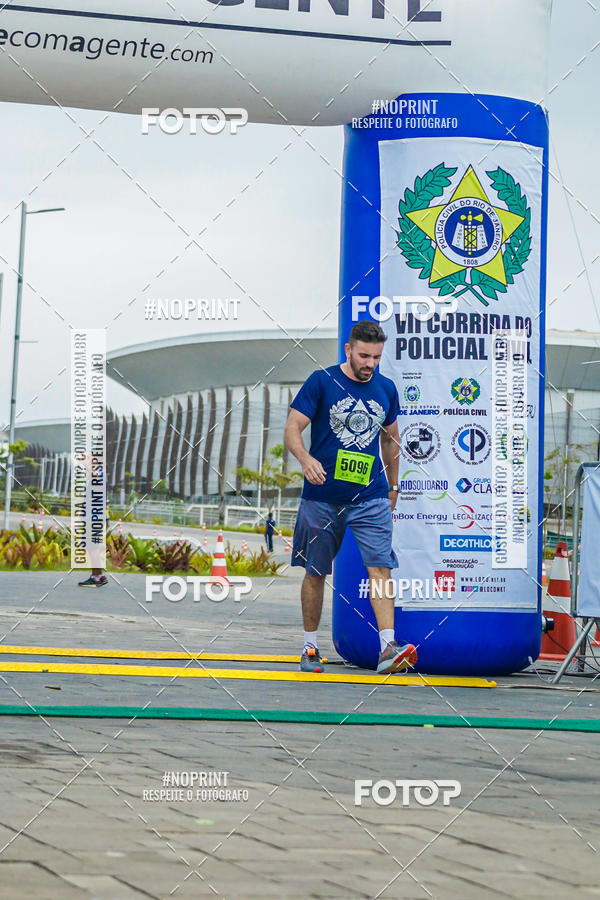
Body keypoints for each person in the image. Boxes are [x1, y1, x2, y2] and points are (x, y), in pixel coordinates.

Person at [284, 320, 417, 675]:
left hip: (370, 496)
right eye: (364, 356)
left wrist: (393, 486)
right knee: (315, 572)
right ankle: (310, 647)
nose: (370, 363)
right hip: (322, 497)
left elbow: (390, 439)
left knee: (381, 567)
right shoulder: (321, 381)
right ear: (348, 350)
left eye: (376, 357)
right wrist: (306, 459)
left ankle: (388, 648)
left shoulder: (386, 389)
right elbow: (292, 428)